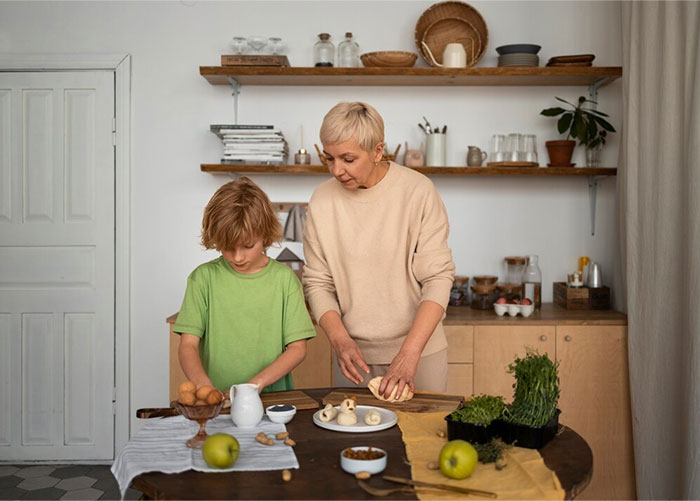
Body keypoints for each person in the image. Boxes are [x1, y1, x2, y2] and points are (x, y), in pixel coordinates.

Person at [302, 101, 455, 400]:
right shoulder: (321, 201)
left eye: (348, 159)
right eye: (329, 158)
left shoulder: (418, 192)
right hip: (353, 357)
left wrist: (410, 353)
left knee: (425, 442)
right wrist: (339, 340)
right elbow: (318, 283)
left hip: (420, 352)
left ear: (377, 151)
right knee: (356, 444)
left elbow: (438, 279)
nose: (337, 170)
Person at [174, 177, 316, 393]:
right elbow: (188, 345)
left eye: (247, 246)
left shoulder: (284, 280)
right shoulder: (202, 279)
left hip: (272, 401)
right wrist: (204, 386)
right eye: (228, 248)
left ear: (265, 236)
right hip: (218, 401)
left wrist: (254, 386)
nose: (238, 257)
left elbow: (297, 349)